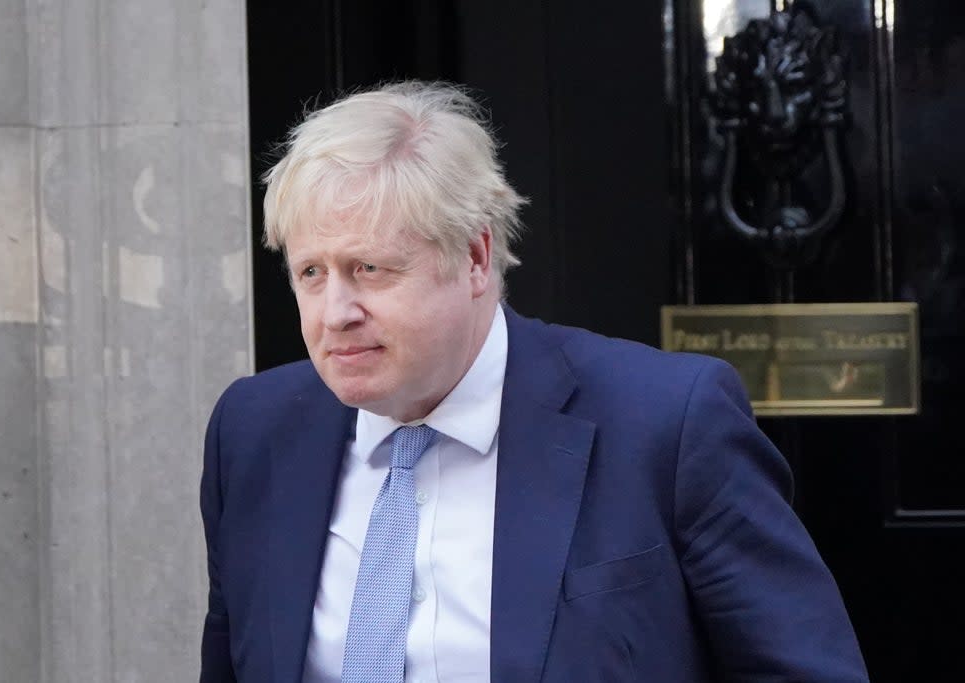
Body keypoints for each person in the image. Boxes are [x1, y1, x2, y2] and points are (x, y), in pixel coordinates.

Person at [199, 81, 869, 682]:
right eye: (311, 273)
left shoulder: (665, 423)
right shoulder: (253, 432)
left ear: (476, 257)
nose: (335, 312)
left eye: (370, 269)